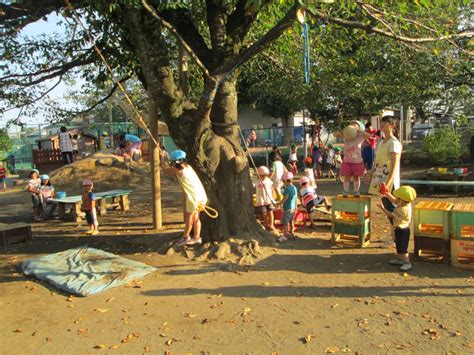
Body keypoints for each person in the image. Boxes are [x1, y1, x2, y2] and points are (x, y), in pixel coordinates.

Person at [161, 149, 208, 246]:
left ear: (174, 162)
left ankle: (185, 237)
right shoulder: (188, 167)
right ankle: (196, 237)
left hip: (193, 198)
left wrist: (162, 158)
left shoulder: (177, 170)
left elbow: (164, 170)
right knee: (196, 218)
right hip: (201, 196)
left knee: (189, 220)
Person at [377, 186, 416, 272]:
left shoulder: (402, 209)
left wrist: (382, 208)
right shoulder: (405, 203)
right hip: (399, 229)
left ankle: (407, 262)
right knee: (398, 245)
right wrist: (387, 193)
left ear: (401, 200)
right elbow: (394, 200)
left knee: (403, 248)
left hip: (403, 230)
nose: (396, 199)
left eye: (398, 198)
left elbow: (390, 215)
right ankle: (399, 259)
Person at [338, 121, 371, 197]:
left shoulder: (360, 136)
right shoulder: (346, 136)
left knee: (356, 177)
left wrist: (360, 131)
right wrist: (343, 131)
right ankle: (345, 191)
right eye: (351, 125)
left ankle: (356, 191)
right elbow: (335, 134)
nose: (352, 126)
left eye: (355, 125)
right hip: (347, 161)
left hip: (357, 161)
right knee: (347, 177)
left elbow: (369, 135)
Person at [255, 166, 277, 231]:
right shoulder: (257, 181)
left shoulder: (268, 181)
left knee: (270, 211)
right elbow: (256, 187)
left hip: (268, 199)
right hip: (261, 200)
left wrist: (272, 197)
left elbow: (272, 189)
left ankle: (271, 224)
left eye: (264, 175)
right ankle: (267, 223)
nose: (263, 177)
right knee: (264, 212)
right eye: (261, 175)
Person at [278, 171, 297, 243]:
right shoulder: (294, 187)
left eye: (283, 181)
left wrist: (279, 204)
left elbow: (285, 198)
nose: (283, 183)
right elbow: (295, 197)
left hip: (287, 208)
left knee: (285, 222)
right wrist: (295, 206)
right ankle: (292, 232)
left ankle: (285, 235)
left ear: (286, 180)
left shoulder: (287, 189)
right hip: (293, 208)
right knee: (291, 220)